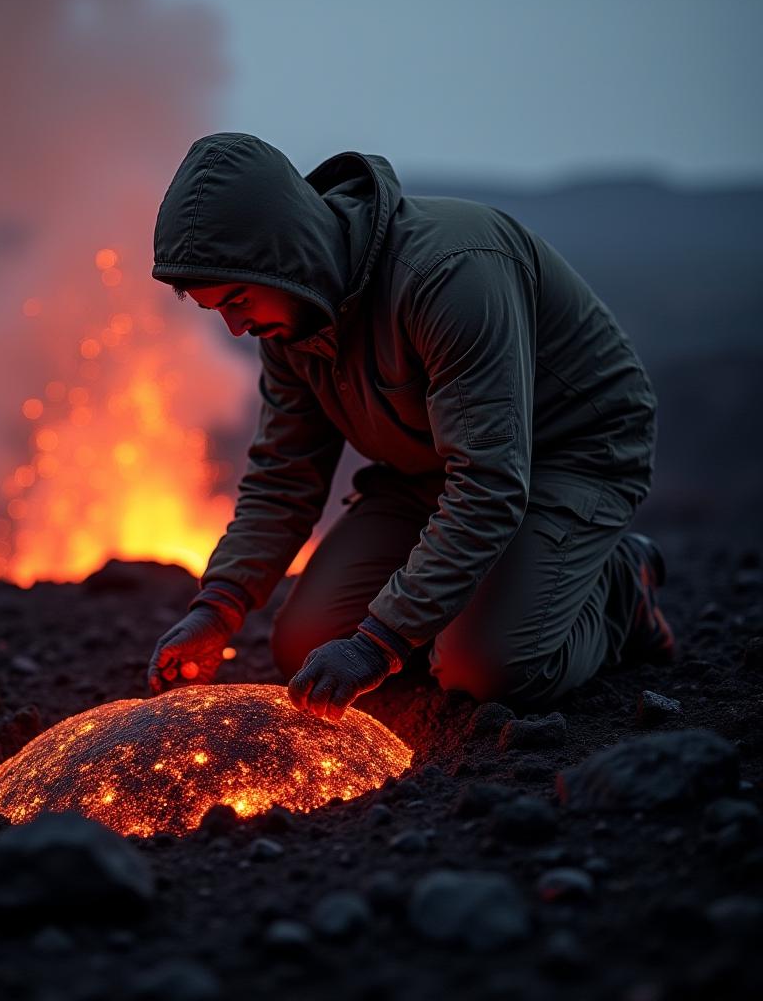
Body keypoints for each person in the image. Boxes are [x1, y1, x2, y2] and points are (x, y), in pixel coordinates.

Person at [146, 131, 675, 721]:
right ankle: (490, 593)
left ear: (285, 252)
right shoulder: (291, 317)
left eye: (238, 300)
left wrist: (379, 644)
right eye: (215, 307)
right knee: (304, 645)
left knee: (484, 667)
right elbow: (283, 478)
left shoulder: (450, 275)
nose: (235, 329)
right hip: (429, 469)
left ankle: (620, 590)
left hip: (568, 455)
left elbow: (490, 481)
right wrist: (216, 608)